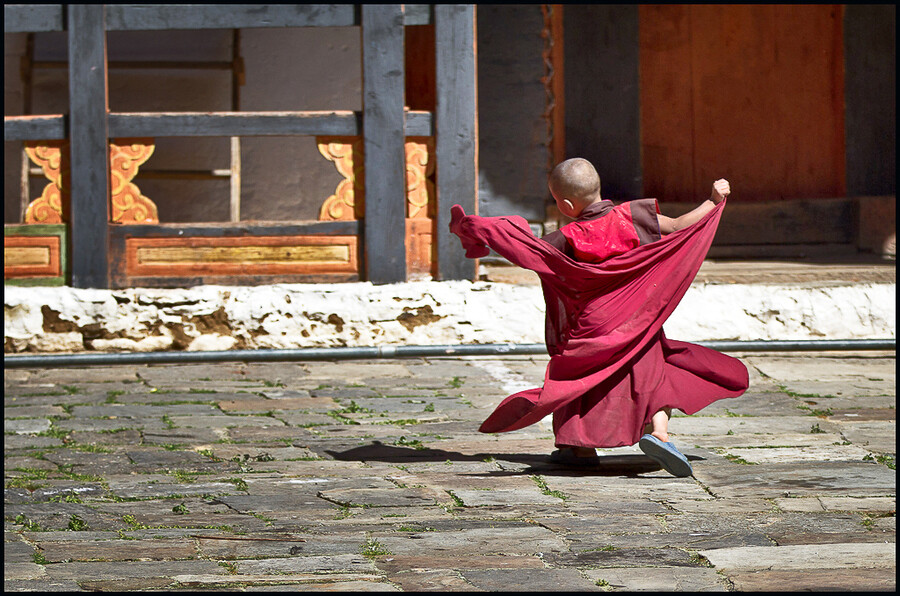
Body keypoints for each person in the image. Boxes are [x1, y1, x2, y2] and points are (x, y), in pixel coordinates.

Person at [449, 158, 749, 477]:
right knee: (652, 373)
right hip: (639, 317)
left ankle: (579, 447)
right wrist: (713, 201)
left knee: (580, 378)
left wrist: (482, 231)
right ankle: (659, 433)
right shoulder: (631, 216)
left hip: (595, 325)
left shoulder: (569, 236)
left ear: (565, 204)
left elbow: (531, 252)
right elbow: (677, 226)